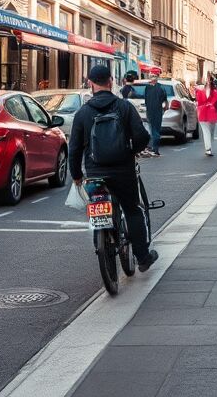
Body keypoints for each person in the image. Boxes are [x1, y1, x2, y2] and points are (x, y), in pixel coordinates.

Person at [68, 64, 158, 271]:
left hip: (95, 172)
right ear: (110, 81)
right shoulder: (124, 107)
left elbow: (74, 149)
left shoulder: (83, 113)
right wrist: (131, 152)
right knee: (132, 210)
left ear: (90, 84)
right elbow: (143, 136)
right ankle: (143, 258)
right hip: (122, 170)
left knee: (97, 209)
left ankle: (102, 241)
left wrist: (77, 176)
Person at [194, 72, 217, 157]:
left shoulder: (213, 92)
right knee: (207, 131)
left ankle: (209, 148)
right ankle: (208, 148)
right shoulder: (202, 91)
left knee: (209, 132)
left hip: (208, 112)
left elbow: (199, 101)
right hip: (206, 112)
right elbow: (199, 101)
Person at [141, 75, 167, 156]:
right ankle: (155, 148)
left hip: (150, 111)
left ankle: (153, 148)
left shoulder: (147, 88)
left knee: (153, 129)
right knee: (156, 129)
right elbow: (164, 98)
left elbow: (145, 99)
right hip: (158, 110)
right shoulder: (161, 88)